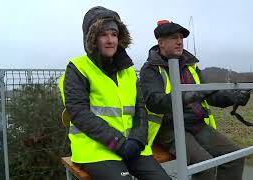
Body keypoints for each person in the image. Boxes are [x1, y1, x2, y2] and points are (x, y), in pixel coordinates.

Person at [58, 7, 170, 180]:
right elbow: (79, 113)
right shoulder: (77, 68)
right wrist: (117, 143)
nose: (110, 40)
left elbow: (140, 108)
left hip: (132, 145)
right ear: (92, 39)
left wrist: (138, 140)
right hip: (96, 150)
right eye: (103, 34)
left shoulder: (128, 71)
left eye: (114, 34)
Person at [140, 20, 250, 180]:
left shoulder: (190, 66)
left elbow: (208, 93)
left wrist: (231, 97)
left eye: (181, 38)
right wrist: (186, 96)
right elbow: (154, 102)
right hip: (168, 127)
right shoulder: (150, 70)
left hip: (195, 123)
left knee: (235, 157)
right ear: (161, 43)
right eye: (174, 37)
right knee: (205, 166)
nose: (179, 42)